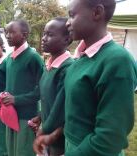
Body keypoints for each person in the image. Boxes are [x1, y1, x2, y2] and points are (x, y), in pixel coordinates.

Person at [64, 0, 137, 155]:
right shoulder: (82, 58)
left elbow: (110, 138)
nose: (67, 23)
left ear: (97, 13)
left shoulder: (116, 61)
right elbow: (77, 113)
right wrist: (55, 134)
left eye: (71, 15)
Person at [0, 19, 44, 156]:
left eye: (12, 32)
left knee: (24, 151)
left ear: (24, 35)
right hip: (11, 113)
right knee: (12, 149)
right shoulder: (10, 58)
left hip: (26, 116)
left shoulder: (33, 57)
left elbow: (42, 89)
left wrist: (16, 99)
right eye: (6, 32)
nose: (7, 36)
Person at [31, 17, 73, 156]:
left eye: (50, 35)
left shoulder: (67, 68)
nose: (43, 38)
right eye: (44, 34)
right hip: (48, 132)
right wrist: (41, 116)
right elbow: (48, 98)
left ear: (67, 40)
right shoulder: (49, 65)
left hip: (59, 137)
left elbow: (61, 109)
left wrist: (45, 130)